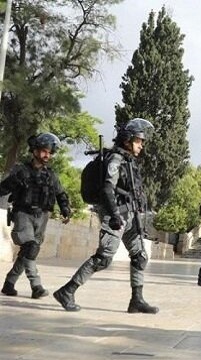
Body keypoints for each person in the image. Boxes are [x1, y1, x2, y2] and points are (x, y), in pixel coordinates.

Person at [54, 119, 159, 313]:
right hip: (116, 215)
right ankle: (67, 291)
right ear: (127, 140)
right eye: (138, 140)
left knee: (139, 256)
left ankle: (137, 300)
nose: (141, 145)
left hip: (130, 216)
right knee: (103, 258)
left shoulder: (129, 161)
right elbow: (107, 189)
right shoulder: (116, 160)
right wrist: (114, 215)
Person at [1, 133, 71, 299]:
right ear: (35, 151)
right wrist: (15, 181)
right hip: (23, 214)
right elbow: (3, 188)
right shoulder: (21, 170)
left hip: (42, 217)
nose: (47, 155)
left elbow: (61, 194)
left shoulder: (51, 175)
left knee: (29, 251)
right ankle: (36, 286)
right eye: (44, 151)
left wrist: (65, 209)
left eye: (50, 152)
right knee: (30, 247)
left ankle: (9, 283)